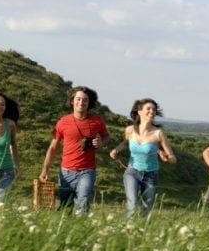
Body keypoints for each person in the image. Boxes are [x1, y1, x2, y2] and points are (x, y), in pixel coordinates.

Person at [39, 86, 110, 215]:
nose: (81, 102)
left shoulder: (96, 121)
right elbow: (53, 147)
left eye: (85, 100)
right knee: (66, 206)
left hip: (87, 171)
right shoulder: (63, 122)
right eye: (78, 99)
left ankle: (82, 230)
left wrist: (100, 143)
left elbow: (106, 136)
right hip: (66, 171)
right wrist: (45, 169)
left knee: (83, 201)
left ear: (89, 103)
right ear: (72, 101)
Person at [109, 98, 176, 217]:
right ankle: (127, 231)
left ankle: (142, 232)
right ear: (139, 111)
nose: (152, 111)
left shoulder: (158, 133)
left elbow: (173, 158)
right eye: (148, 109)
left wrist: (166, 157)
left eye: (154, 110)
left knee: (146, 209)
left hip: (151, 175)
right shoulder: (129, 130)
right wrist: (115, 150)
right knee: (133, 204)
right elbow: (125, 143)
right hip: (132, 171)